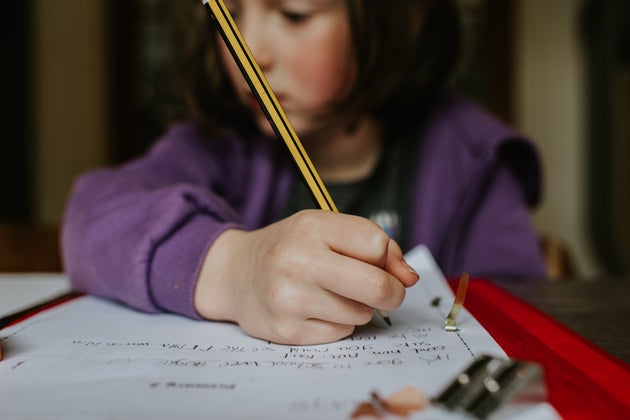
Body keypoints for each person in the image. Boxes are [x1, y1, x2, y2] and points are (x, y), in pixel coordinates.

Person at [61, 0, 546, 346]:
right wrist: (234, 270)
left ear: (411, 13)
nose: (249, 53)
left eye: (295, 14)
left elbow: (518, 326)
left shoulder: (473, 161)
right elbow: (91, 219)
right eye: (229, 15)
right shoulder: (215, 144)